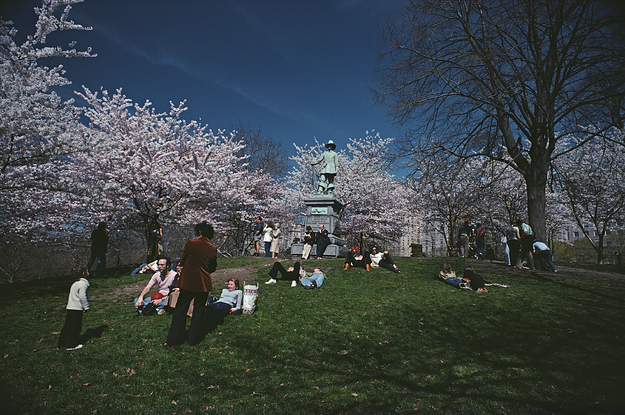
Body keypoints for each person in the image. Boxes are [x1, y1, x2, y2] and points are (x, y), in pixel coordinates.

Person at [164, 221, 217, 347]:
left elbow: (181, 261)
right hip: (203, 283)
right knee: (198, 311)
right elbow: (212, 268)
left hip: (188, 282)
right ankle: (194, 339)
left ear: (199, 232)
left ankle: (173, 340)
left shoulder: (191, 244)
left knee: (180, 310)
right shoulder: (212, 248)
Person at [58, 273, 90, 350]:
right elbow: (82, 296)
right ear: (83, 273)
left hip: (70, 307)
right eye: (87, 271)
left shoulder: (75, 284)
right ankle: (71, 344)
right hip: (77, 308)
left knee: (68, 325)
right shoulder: (83, 284)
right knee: (76, 327)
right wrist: (86, 307)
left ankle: (61, 343)